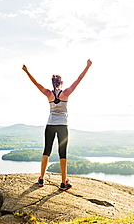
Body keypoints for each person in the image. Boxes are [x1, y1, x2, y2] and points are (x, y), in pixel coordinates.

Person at [22, 59, 92, 190]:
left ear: (53, 83)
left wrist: (26, 71)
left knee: (46, 151)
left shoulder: (48, 93)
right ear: (61, 83)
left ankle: (41, 179)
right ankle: (63, 182)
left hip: (50, 125)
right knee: (62, 153)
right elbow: (79, 79)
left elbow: (35, 83)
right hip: (62, 126)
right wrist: (87, 66)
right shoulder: (66, 93)